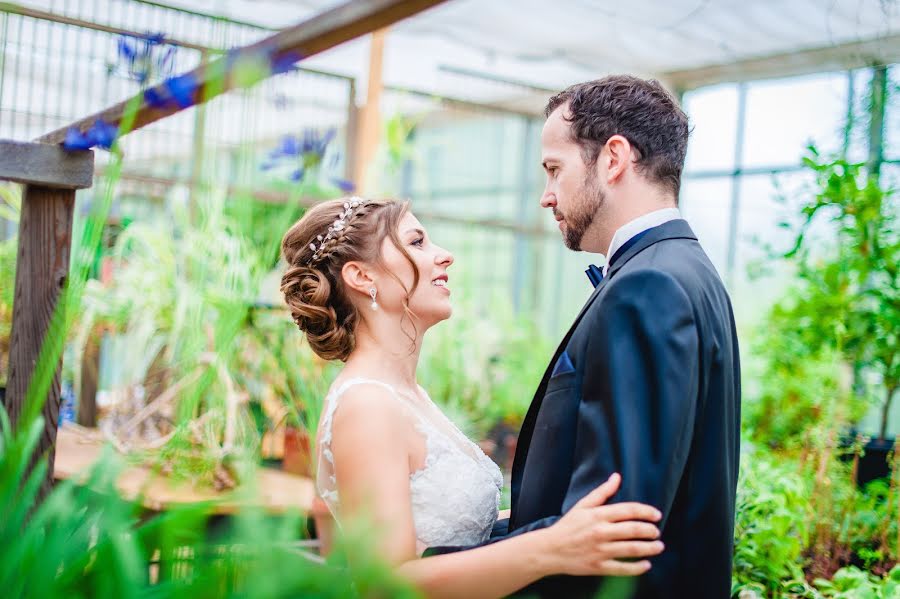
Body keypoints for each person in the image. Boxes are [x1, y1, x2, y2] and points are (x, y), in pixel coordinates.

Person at [428, 75, 742, 599]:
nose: (547, 198)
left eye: (555, 170)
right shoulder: (688, 269)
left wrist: (432, 572)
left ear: (613, 158)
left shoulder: (648, 286)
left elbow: (609, 530)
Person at [280, 196, 664, 598]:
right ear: (361, 276)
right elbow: (384, 584)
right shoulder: (366, 406)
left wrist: (558, 517)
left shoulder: (406, 395)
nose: (444, 256)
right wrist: (551, 547)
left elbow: (450, 531)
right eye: (417, 243)